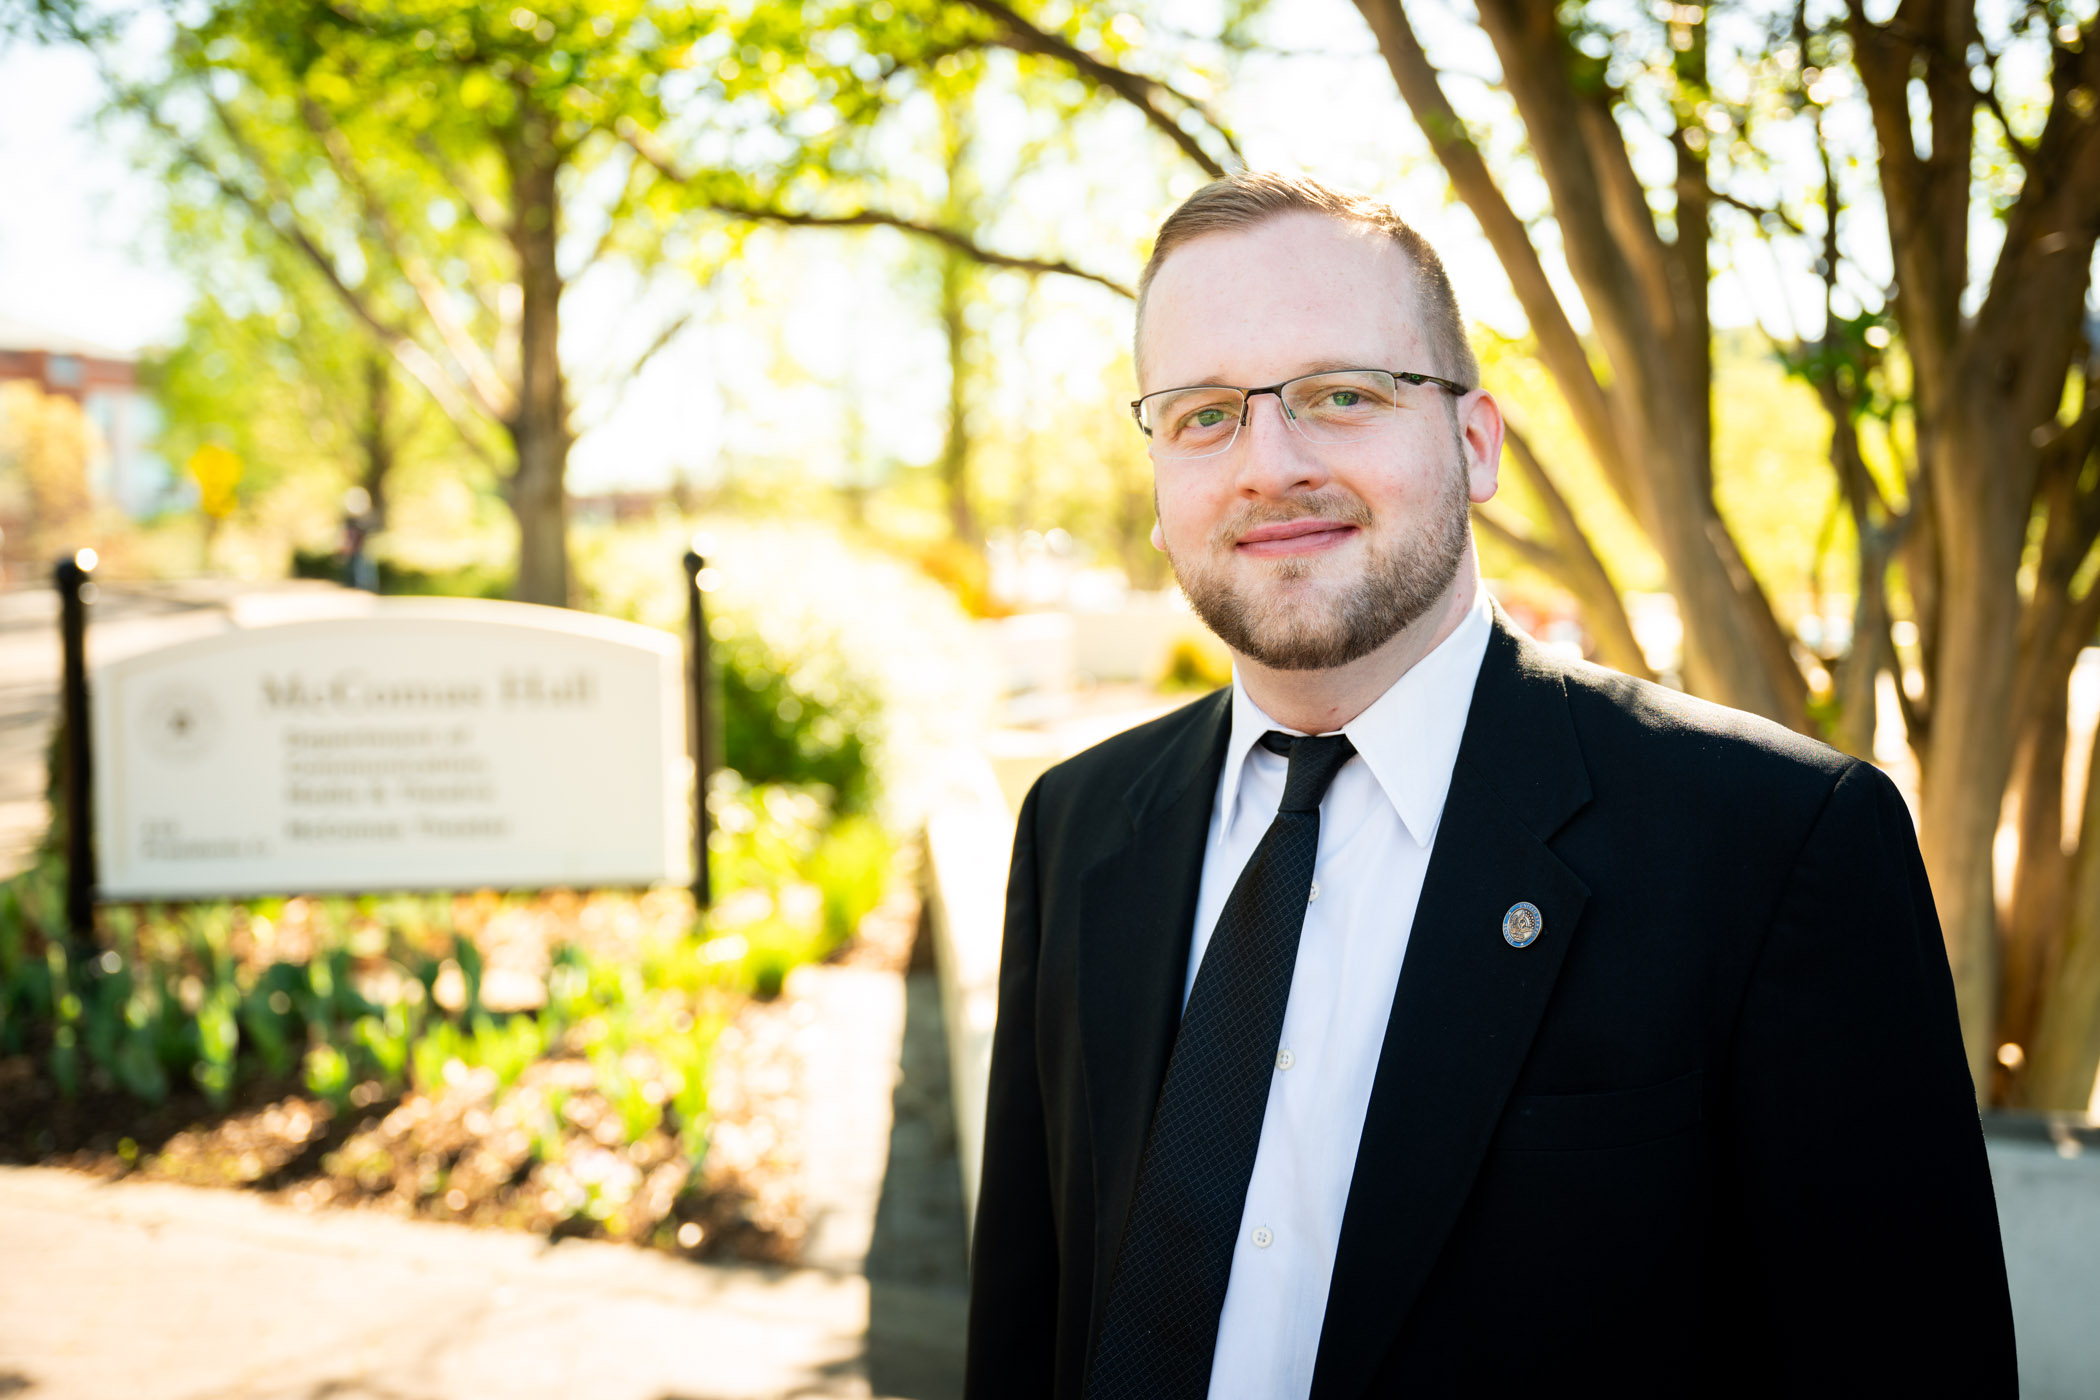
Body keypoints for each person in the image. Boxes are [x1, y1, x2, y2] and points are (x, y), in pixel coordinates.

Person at [963, 171, 2016, 1399]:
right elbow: (1027, 1329)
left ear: (1475, 442)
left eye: (1340, 394)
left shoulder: (1777, 845)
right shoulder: (1078, 826)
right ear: (1157, 485)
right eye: (1204, 415)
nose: (1268, 462)